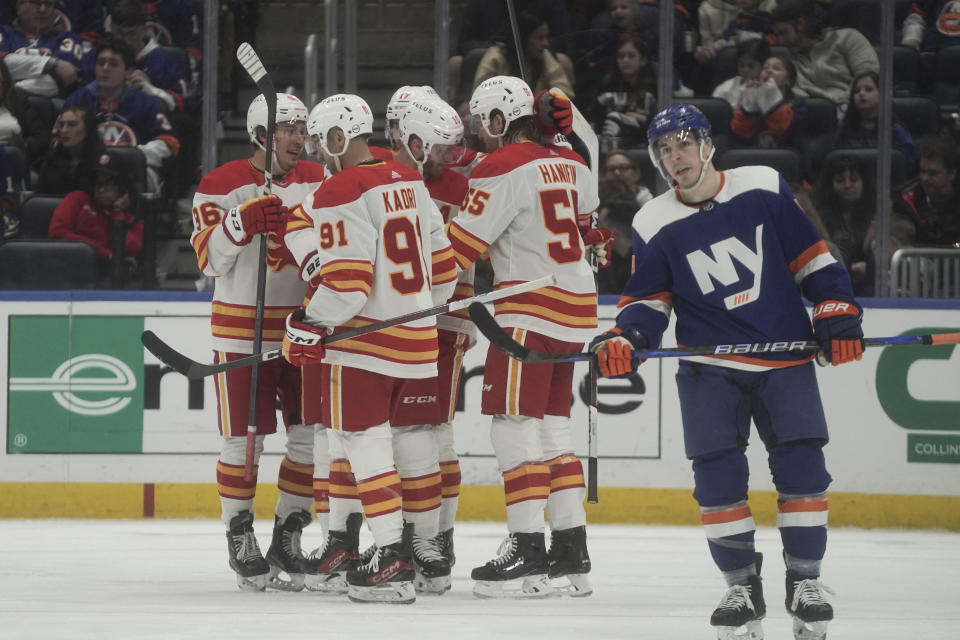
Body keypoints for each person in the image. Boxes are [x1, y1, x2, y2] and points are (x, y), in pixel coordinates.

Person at [589, 103, 863, 640]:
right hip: (708, 369)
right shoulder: (654, 220)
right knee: (717, 481)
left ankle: (805, 581)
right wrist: (628, 336)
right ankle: (740, 585)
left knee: (803, 471)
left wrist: (835, 309)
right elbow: (647, 300)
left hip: (784, 361)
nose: (675, 157)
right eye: (665, 150)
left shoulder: (762, 185)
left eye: (683, 144)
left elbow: (811, 258)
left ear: (707, 144)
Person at [280, 93, 457, 605]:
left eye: (322, 140)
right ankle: (404, 551)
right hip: (418, 341)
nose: (320, 151)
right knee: (400, 445)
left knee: (363, 444)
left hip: (362, 343)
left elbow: (349, 285)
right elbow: (443, 273)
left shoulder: (341, 187)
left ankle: (391, 558)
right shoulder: (407, 179)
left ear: (338, 137)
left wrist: (308, 322)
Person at [446, 75, 606, 599]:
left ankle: (526, 547)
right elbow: (587, 229)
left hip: (528, 314)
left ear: (498, 120)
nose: (479, 135)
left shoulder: (499, 165)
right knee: (552, 433)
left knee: (513, 428)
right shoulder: (574, 164)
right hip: (577, 311)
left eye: (482, 123)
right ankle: (571, 551)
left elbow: (459, 248)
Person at [189, 92, 326, 592]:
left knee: (310, 435)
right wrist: (240, 222)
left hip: (302, 329)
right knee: (245, 440)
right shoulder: (221, 184)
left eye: (302, 128)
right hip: (241, 329)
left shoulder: (317, 178)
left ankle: (288, 533)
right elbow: (207, 260)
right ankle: (238, 531)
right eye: (288, 128)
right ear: (262, 135)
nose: (299, 138)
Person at [387, 93, 472, 593]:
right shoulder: (382, 173)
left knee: (435, 433)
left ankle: (438, 537)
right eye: (442, 145)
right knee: (390, 438)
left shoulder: (465, 182)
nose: (450, 154)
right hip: (392, 323)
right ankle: (399, 536)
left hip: (448, 323)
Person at [64, 39, 179, 192]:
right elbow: (57, 140)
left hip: (131, 172)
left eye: (113, 64)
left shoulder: (147, 103)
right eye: (101, 63)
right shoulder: (77, 100)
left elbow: (169, 142)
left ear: (129, 72)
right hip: (87, 170)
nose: (105, 68)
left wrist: (133, 155)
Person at [47, 151, 142, 281]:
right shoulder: (77, 199)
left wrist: (117, 211)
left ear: (122, 187)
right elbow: (57, 232)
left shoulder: (132, 218)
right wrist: (104, 253)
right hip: (68, 269)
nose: (101, 190)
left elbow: (128, 250)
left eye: (108, 184)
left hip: (108, 279)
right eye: (98, 184)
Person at [770, 0, 878, 109]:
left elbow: (869, 76)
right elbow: (795, 96)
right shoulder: (788, 64)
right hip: (818, 117)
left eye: (783, 33)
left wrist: (844, 105)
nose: (780, 41)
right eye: (776, 35)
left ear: (800, 24)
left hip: (855, 111)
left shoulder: (848, 38)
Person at [813, 153, 877, 295]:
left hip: (870, 285)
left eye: (854, 179)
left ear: (863, 182)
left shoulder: (878, 212)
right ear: (830, 185)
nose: (848, 185)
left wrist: (869, 267)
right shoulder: (817, 214)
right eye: (840, 180)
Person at [473, 11, 574, 98]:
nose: (546, 43)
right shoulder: (495, 57)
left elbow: (565, 93)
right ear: (523, 40)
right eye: (540, 38)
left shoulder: (544, 56)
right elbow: (480, 95)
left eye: (546, 37)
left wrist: (547, 104)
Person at [0, 0, 87, 98]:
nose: (42, 9)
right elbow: (1, 65)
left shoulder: (69, 39)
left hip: (49, 107)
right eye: (36, 3)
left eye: (48, 4)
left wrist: (11, 91)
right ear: (20, 7)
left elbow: (65, 76)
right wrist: (51, 63)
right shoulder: (4, 34)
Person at [833, 71, 917, 169]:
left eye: (868, 89)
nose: (861, 93)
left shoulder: (895, 130)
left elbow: (908, 162)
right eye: (856, 91)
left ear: (882, 94)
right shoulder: (845, 130)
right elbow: (835, 160)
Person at [591, 36, 657, 151]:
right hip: (608, 141)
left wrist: (641, 118)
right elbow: (595, 118)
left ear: (643, 60)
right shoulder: (606, 88)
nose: (625, 60)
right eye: (621, 56)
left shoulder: (653, 89)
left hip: (641, 142)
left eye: (631, 56)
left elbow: (659, 122)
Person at [895, 134, 960, 247]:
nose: (925, 178)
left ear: (952, 174)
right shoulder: (904, 203)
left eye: (933, 173)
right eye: (922, 171)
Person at [35, 104, 105, 195]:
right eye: (61, 125)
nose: (64, 130)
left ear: (88, 129)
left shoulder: (102, 164)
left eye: (72, 125)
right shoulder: (51, 161)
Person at [712, 38, 770, 109]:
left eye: (751, 66)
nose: (745, 70)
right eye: (741, 65)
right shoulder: (726, 88)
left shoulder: (769, 88)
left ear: (763, 66)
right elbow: (714, 109)